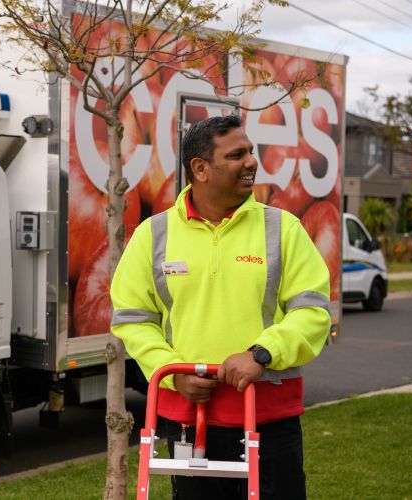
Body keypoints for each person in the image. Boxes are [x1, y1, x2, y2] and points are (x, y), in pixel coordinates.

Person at [110, 114, 330, 499]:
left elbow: (312, 311)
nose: (251, 162)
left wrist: (261, 354)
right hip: (189, 421)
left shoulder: (283, 229)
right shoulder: (153, 234)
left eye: (251, 151)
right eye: (236, 155)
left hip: (269, 420)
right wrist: (172, 376)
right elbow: (133, 318)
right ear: (200, 168)